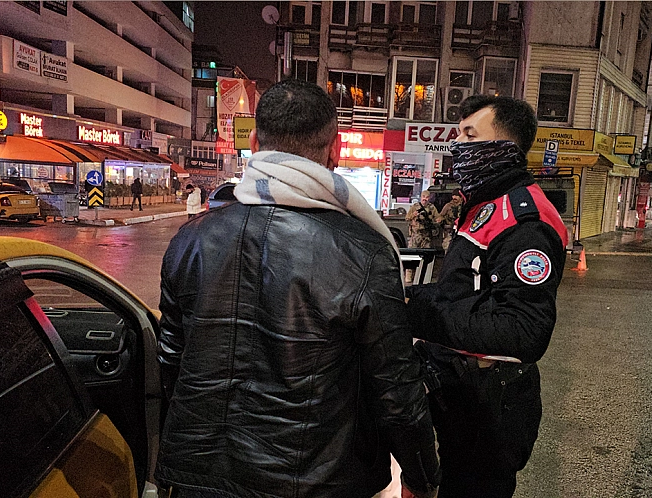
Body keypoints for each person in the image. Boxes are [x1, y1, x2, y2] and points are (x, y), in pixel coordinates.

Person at [155, 79, 440, 498]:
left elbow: (172, 361)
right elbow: (396, 389)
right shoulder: (365, 250)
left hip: (200, 476)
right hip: (316, 481)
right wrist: (422, 476)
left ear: (254, 143)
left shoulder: (191, 239)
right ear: (336, 148)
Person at [406, 95, 568, 498]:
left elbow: (522, 330)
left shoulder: (525, 220)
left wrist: (420, 313)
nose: (458, 146)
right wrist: (411, 297)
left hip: (490, 410)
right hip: (461, 398)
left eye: (469, 135)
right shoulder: (485, 206)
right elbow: (461, 292)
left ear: (503, 148)